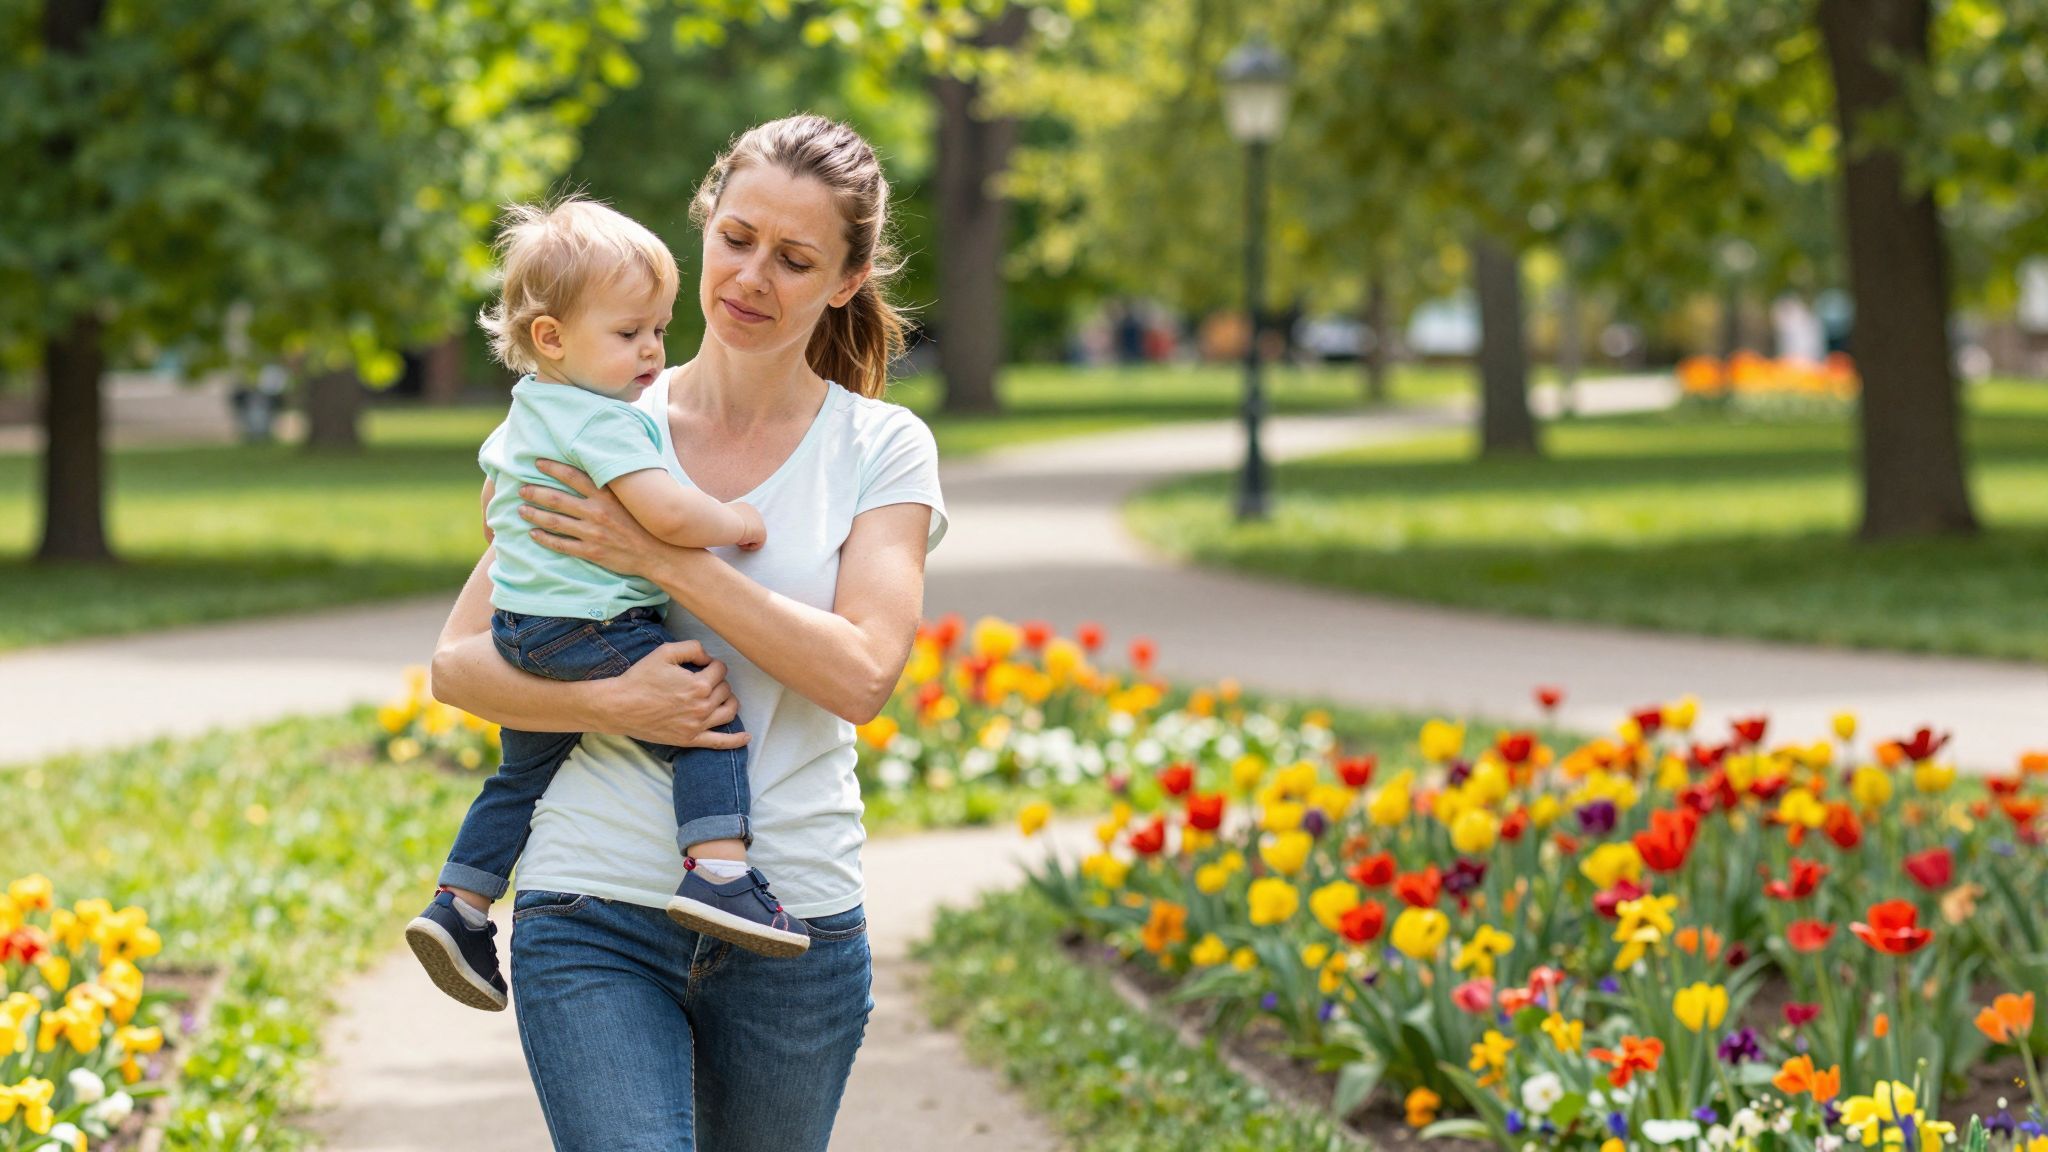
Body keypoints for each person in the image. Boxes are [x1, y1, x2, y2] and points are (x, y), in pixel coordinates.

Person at [426, 114, 946, 1151]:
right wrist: (611, 702)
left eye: (795, 259)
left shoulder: (880, 449)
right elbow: (457, 664)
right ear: (704, 225)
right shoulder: (592, 413)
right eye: (736, 237)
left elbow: (860, 676)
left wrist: (662, 559)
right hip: (591, 906)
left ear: (844, 281)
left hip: (792, 920)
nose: (752, 276)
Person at [406, 197, 808, 1018]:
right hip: (596, 628)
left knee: (522, 773)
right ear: (552, 337)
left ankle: (461, 904)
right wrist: (735, 519)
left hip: (522, 629)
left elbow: (493, 505)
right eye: (630, 335)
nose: (653, 352)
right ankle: (720, 873)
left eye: (658, 329)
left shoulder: (529, 409)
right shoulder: (609, 424)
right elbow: (666, 517)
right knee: (703, 707)